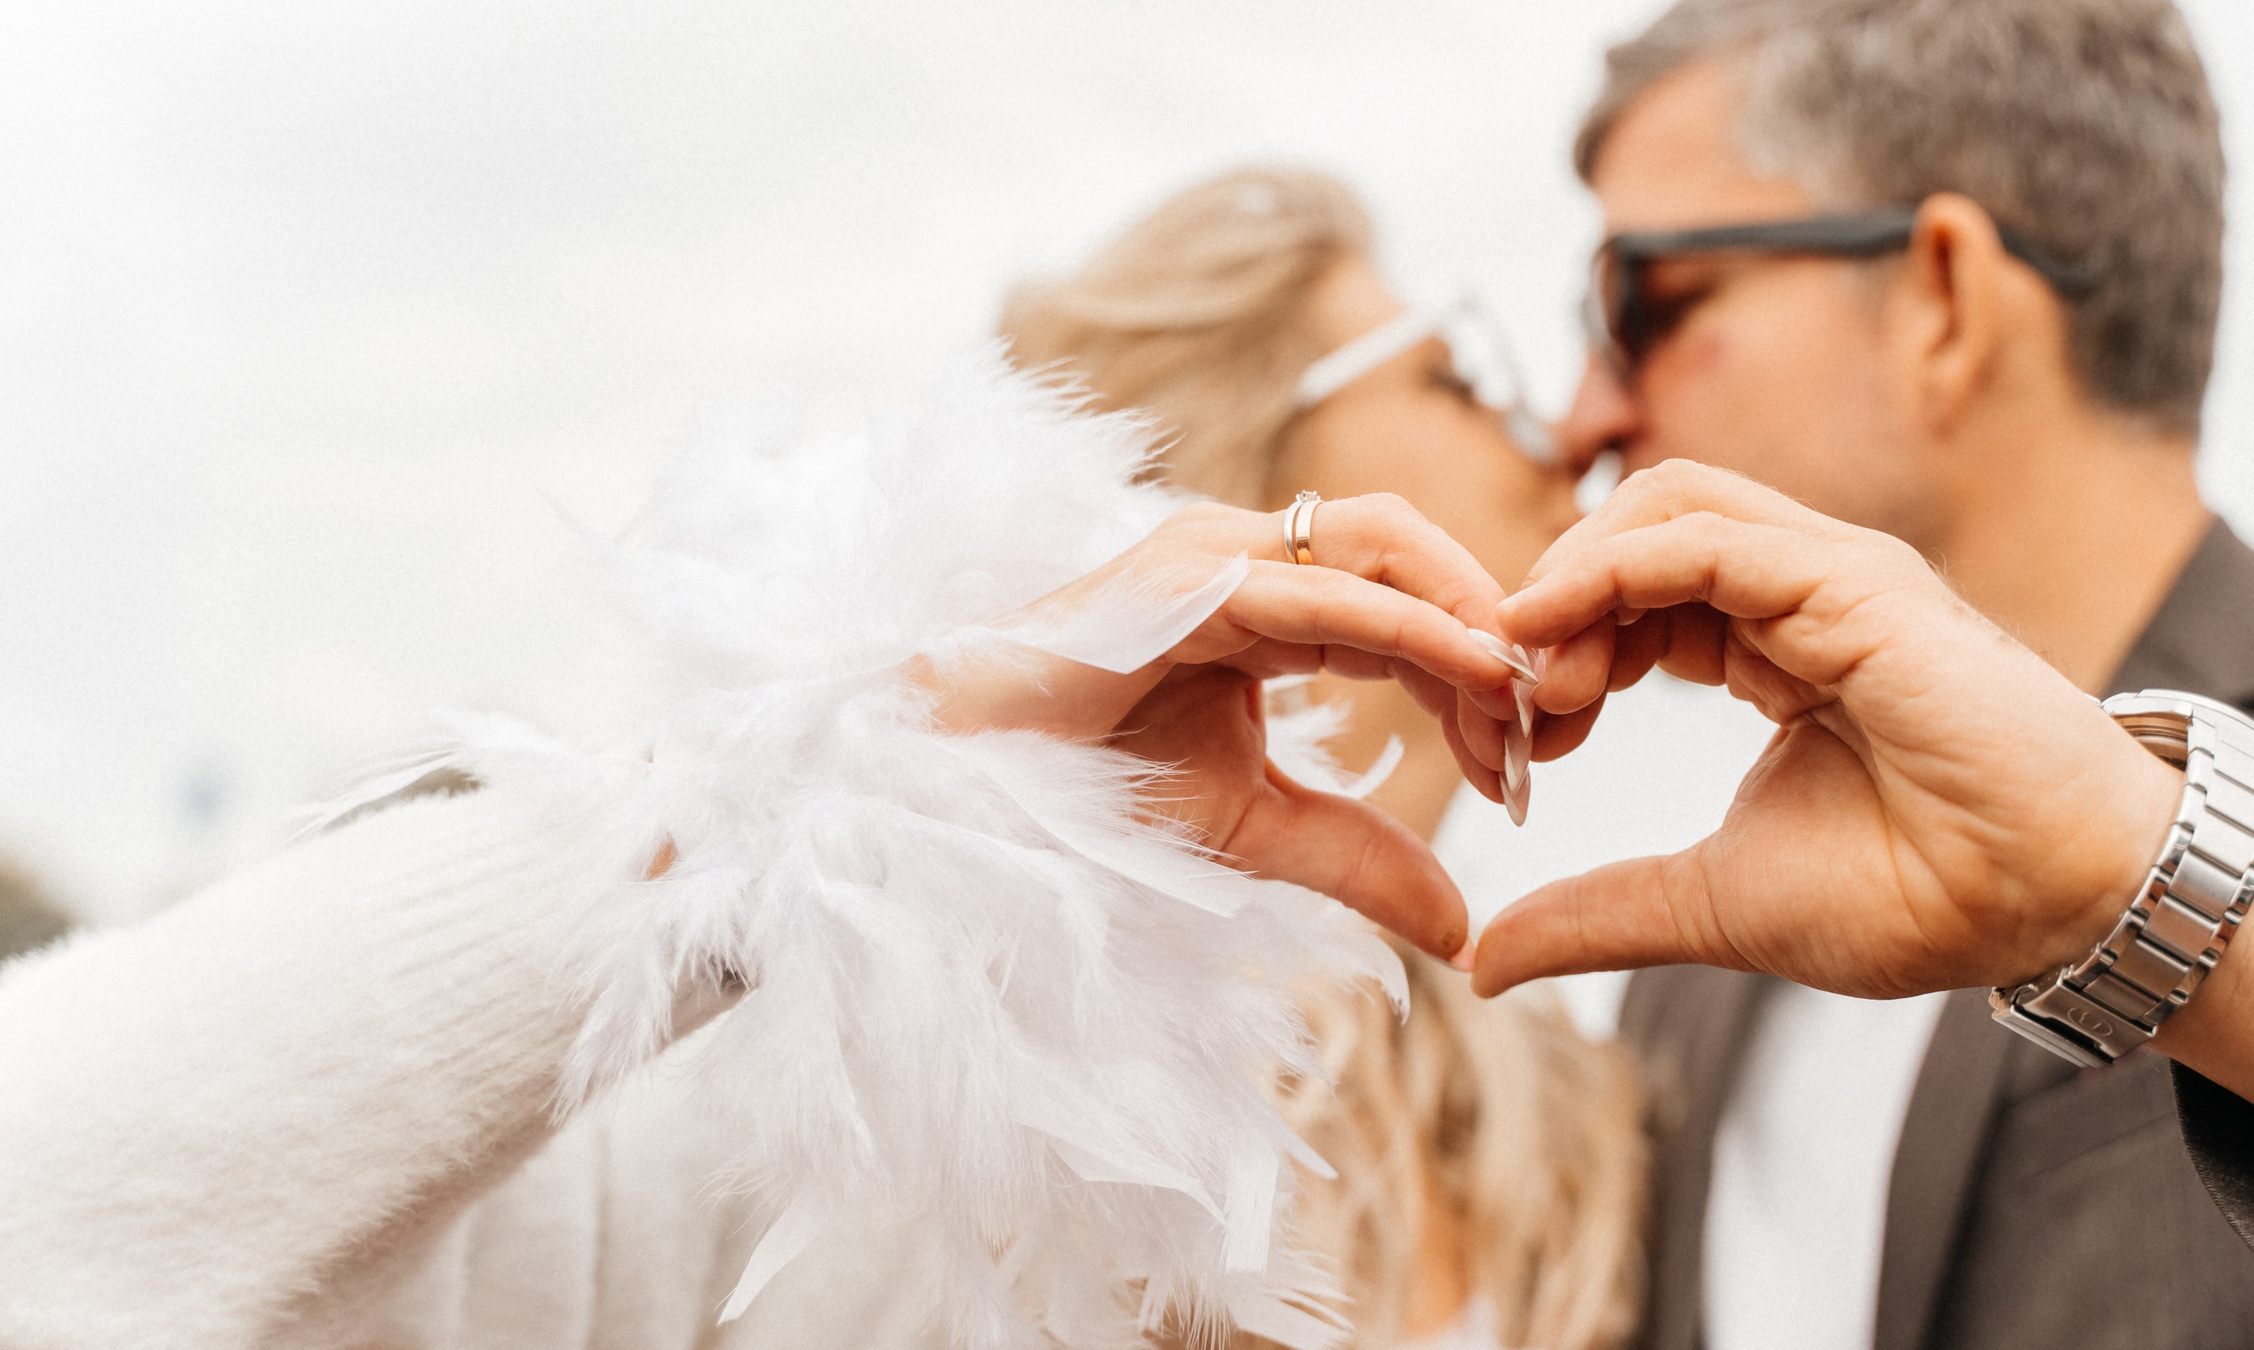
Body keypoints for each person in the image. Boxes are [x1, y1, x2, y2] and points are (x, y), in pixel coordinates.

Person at [1464, 0, 2254, 1347]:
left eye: (1643, 300)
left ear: (1942, 295)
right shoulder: (1689, 992)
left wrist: (2148, 877)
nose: (1585, 412)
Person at [0, 358, 1543, 1350]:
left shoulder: (1606, 1143)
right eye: (1476, 367)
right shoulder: (784, 1121)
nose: (1582, 426)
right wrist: (846, 786)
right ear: (1243, 452)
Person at [1004, 166, 1643, 1350]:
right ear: (1242, 473)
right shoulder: (993, 1077)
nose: (1562, 439)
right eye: (1455, 379)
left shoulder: (1572, 1113)